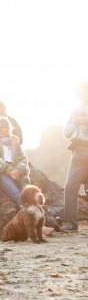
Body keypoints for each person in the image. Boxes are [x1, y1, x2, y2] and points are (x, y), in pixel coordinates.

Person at [0, 117, 29, 205]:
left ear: (8, 128)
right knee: (17, 194)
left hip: (16, 171)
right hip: (0, 172)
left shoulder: (14, 140)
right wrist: (9, 170)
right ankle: (27, 213)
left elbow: (23, 158)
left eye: (2, 127)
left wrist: (18, 170)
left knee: (27, 194)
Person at [62, 83, 88, 232]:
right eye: (81, 91)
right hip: (78, 151)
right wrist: (74, 122)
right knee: (70, 186)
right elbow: (66, 132)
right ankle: (71, 223)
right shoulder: (75, 111)